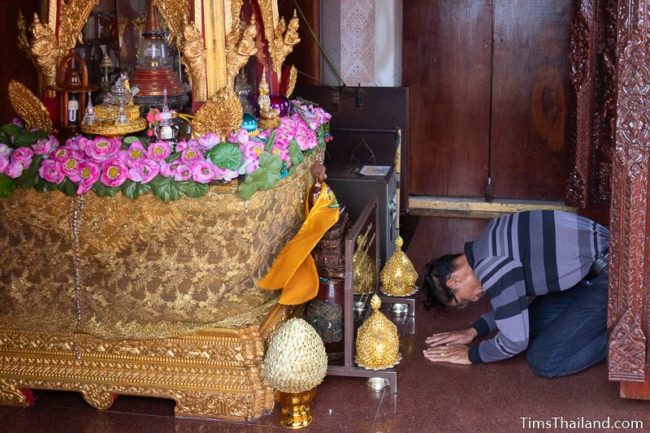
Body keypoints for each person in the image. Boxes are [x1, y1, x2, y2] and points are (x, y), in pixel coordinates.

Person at [422, 210, 610, 378]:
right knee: (530, 324)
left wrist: (472, 355)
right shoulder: (488, 238)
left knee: (543, 359)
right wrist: (475, 330)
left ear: (454, 281)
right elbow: (513, 303)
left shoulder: (491, 266)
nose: (474, 299)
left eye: (462, 301)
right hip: (598, 264)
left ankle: (628, 344)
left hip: (615, 277)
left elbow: (515, 342)